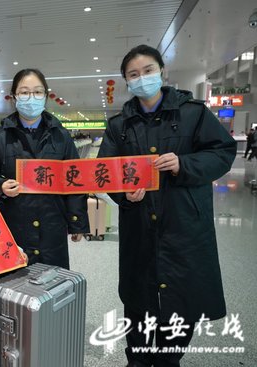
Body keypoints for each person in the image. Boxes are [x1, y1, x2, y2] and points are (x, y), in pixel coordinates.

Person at [97, 44, 236, 367]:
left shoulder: (193, 113)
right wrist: (124, 193)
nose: (142, 78)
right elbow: (105, 171)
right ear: (126, 82)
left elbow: (222, 152)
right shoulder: (120, 126)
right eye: (133, 75)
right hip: (139, 224)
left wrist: (183, 164)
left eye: (148, 71)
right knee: (138, 296)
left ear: (162, 72)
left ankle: (168, 361)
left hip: (183, 224)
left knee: (181, 297)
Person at [0, 68, 89, 269]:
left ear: (45, 96)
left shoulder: (61, 136)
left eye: (37, 92)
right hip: (14, 225)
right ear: (14, 97)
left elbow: (75, 179)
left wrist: (77, 222)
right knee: (15, 288)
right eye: (24, 92)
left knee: (53, 283)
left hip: (52, 224)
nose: (31, 97)